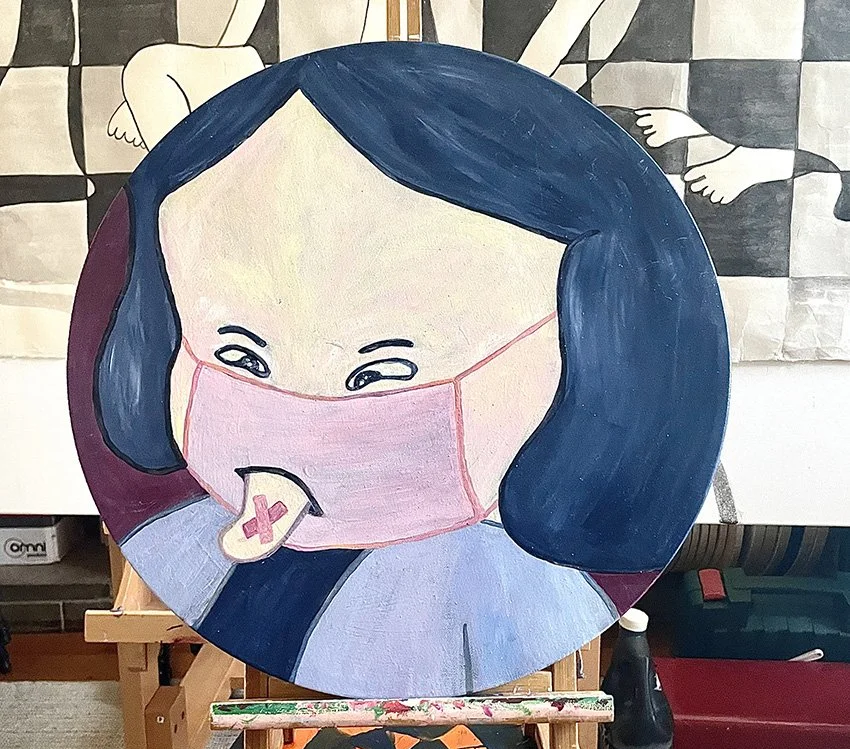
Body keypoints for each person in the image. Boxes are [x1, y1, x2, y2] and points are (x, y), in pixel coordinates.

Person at [91, 44, 728, 696]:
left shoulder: (513, 603)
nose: (297, 418)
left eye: (383, 374)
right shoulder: (181, 547)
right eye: (239, 358)